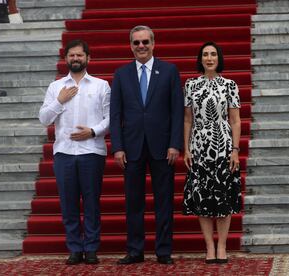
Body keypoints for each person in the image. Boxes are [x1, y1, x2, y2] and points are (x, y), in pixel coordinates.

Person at [110, 25, 184, 265]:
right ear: (130, 46)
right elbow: (115, 114)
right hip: (131, 148)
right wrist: (118, 147)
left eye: (145, 42)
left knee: (164, 201)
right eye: (136, 43)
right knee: (134, 202)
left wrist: (175, 144)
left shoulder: (170, 71)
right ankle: (135, 250)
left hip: (163, 147)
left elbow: (176, 111)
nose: (141, 46)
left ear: (153, 43)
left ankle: (163, 251)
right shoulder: (121, 74)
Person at [39, 39, 110, 265]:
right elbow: (44, 119)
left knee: (91, 202)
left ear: (88, 58)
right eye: (72, 55)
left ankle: (90, 248)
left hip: (92, 152)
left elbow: (110, 119)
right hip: (64, 153)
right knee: (68, 203)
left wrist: (92, 131)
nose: (76, 59)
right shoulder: (56, 87)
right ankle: (74, 248)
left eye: (80, 55)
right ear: (66, 58)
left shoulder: (101, 85)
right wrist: (59, 102)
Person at [182, 42, 242, 264]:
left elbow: (235, 120)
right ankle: (209, 246)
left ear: (219, 58)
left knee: (223, 198)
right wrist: (186, 148)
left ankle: (222, 246)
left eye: (213, 54)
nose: (209, 58)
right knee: (203, 198)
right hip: (199, 148)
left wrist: (235, 150)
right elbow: (187, 119)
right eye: (205, 54)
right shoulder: (190, 85)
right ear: (200, 59)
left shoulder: (229, 85)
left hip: (224, 147)